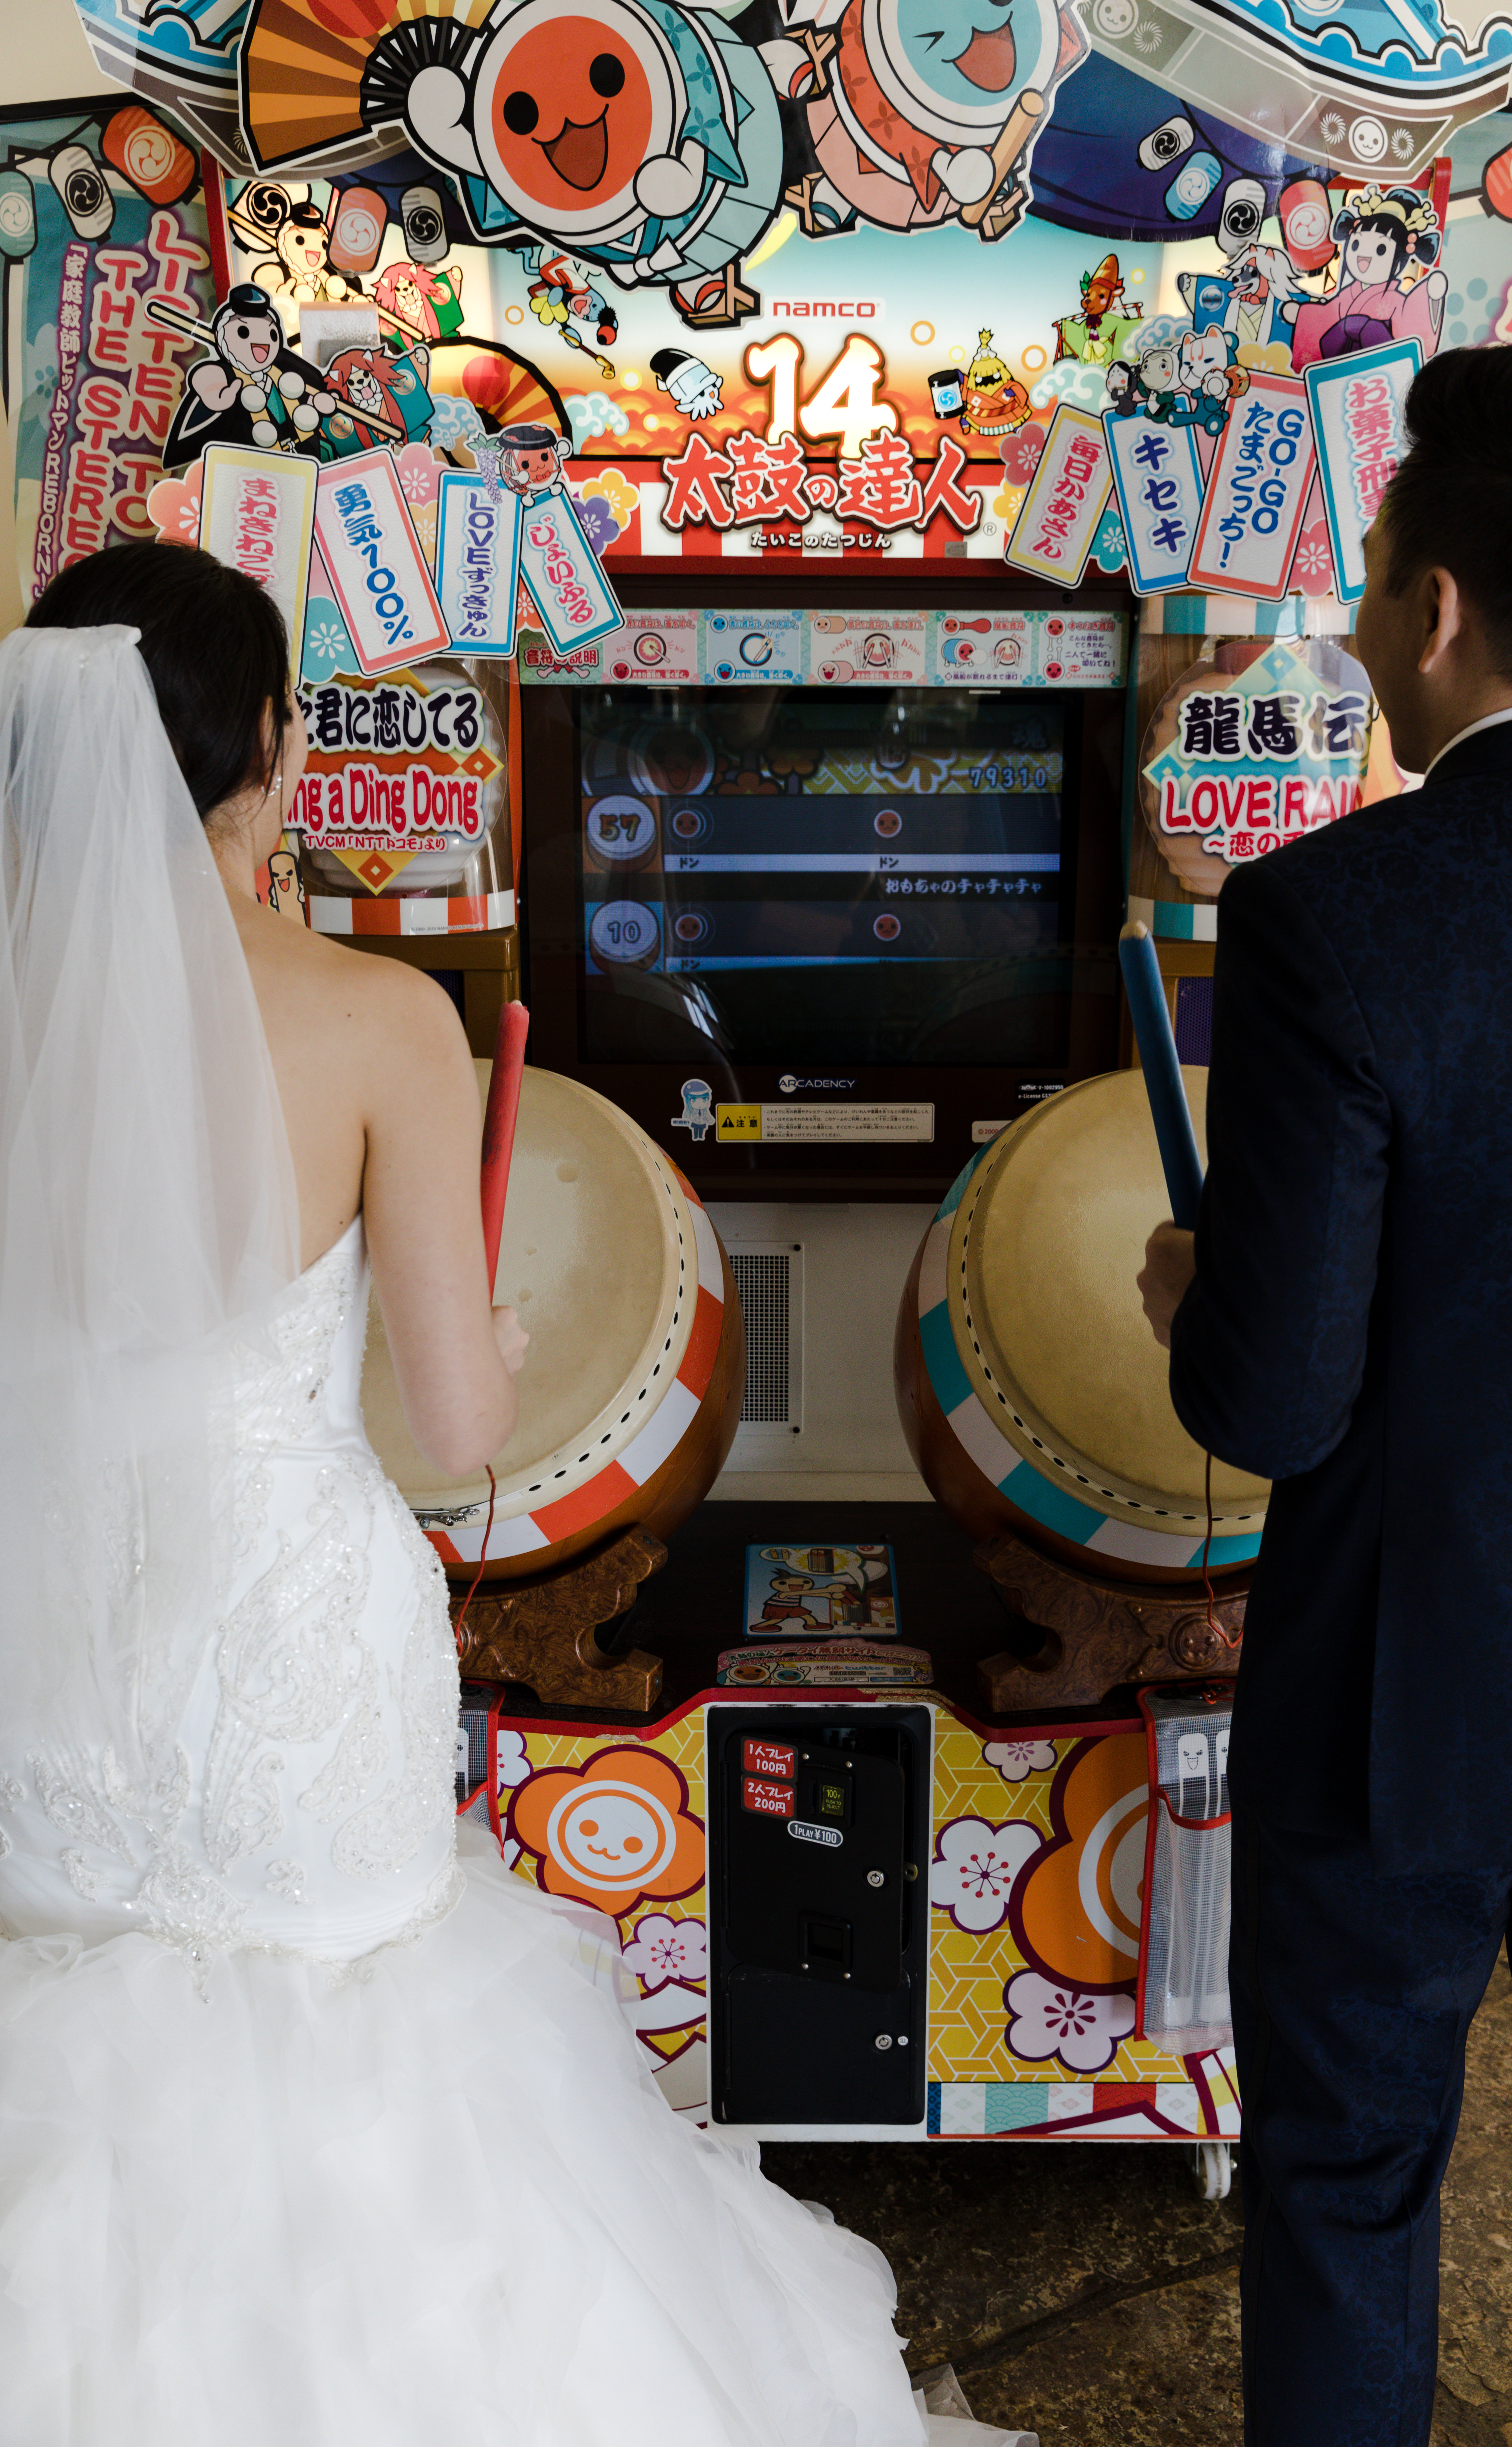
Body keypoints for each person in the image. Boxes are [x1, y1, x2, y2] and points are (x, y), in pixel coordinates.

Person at [0, 543, 1019, 2447]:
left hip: (35, 1644)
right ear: (273, 757)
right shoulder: (376, 1016)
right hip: (279, 1657)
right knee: (361, 2055)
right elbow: (466, 1426)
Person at [1136, 341, 1512, 2447]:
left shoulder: (1338, 915)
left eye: (1374, 586)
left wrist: (1197, 1285)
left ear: (1437, 610)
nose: (1350, 627)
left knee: (1347, 2178)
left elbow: (1278, 1396)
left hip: (1403, 1682)